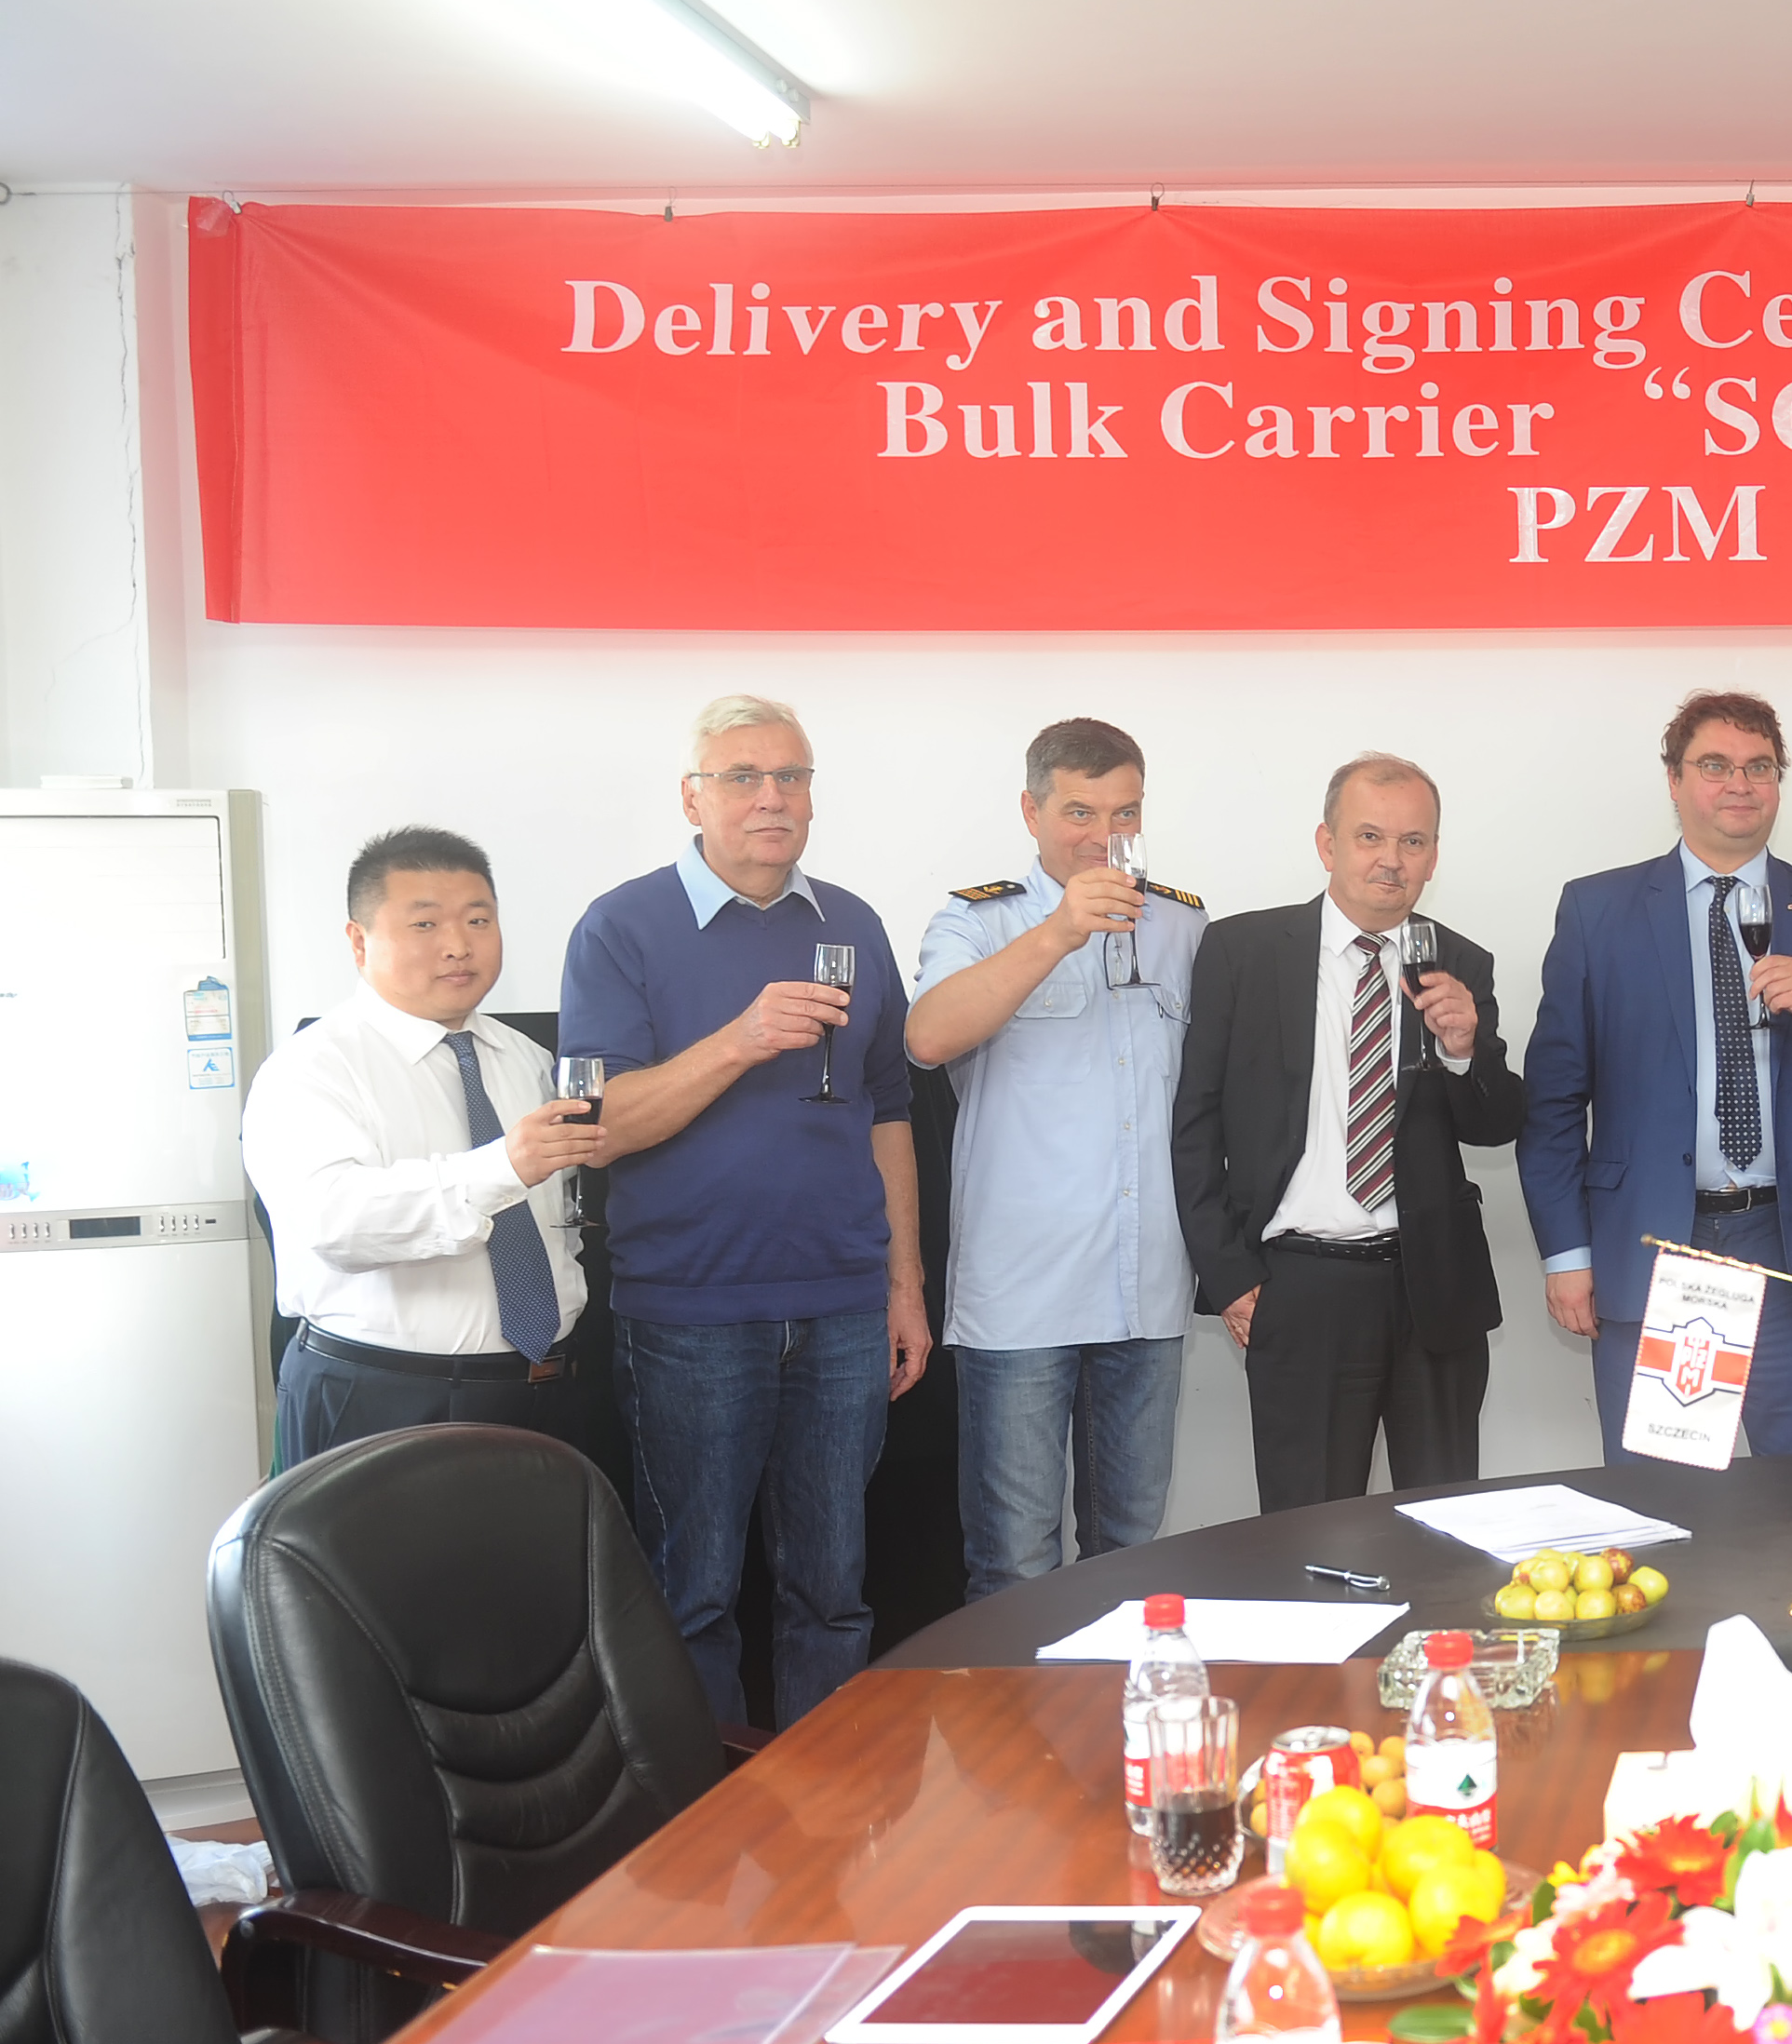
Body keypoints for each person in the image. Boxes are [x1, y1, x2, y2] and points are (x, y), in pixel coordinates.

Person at [562, 694, 928, 1728]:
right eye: (743, 777)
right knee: (692, 1601)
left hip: (845, 1308)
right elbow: (601, 1127)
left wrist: (904, 1285)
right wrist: (741, 1039)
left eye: (792, 777)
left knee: (834, 1595)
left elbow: (889, 1113)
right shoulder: (620, 927)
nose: (773, 797)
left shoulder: (853, 922)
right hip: (692, 1313)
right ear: (693, 798)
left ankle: (831, 1804)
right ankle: (705, 1815)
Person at [1522, 690, 1792, 1464]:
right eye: (1715, 766)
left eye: (1759, 767)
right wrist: (1568, 1256)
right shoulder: (1597, 911)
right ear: (1674, 781)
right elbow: (1553, 1102)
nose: (1740, 784)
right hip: (1655, 1243)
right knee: (1663, 1501)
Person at [1176, 754, 1527, 1507]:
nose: (1390, 860)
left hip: (1434, 1289)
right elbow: (1193, 1124)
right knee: (1307, 1529)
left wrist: (1464, 1052)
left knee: (1444, 1525)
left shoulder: (1459, 962)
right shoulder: (1241, 952)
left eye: (1412, 841)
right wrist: (1229, 1275)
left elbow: (1495, 1125)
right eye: (1370, 836)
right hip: (1299, 1288)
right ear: (1327, 843)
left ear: (1433, 855)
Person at [908, 719, 1207, 1597]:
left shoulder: (1183, 924)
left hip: (1148, 1286)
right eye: (1080, 812)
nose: (1103, 836)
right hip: (1022, 1297)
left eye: (1125, 813)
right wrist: (1059, 932)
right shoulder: (978, 919)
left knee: (1131, 1558)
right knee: (1014, 1566)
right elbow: (927, 1037)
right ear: (1031, 811)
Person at [241, 827, 616, 1466]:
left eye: (478, 920)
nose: (458, 945)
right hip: (382, 1395)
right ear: (359, 941)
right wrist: (501, 1167)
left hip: (548, 1392)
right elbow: (335, 1224)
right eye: (425, 924)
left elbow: (557, 1225)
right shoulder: (312, 1067)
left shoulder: (527, 1059)